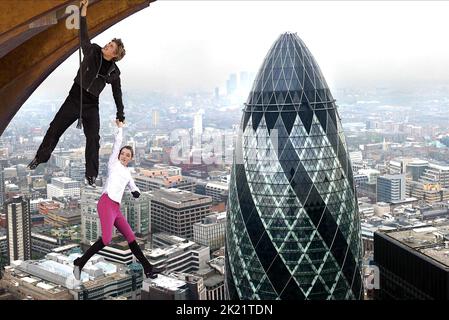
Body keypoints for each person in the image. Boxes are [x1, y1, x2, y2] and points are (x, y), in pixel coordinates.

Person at [28, 0, 126, 187]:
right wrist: (83, 13)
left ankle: (91, 175)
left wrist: (120, 114)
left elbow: (117, 93)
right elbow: (83, 38)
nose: (107, 45)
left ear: (115, 54)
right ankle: (40, 158)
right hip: (74, 98)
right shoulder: (93, 51)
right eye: (109, 43)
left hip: (91, 106)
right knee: (55, 128)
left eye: (111, 46)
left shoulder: (114, 72)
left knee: (94, 139)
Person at [73, 121, 163, 280]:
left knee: (131, 237)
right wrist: (120, 128)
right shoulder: (113, 163)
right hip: (106, 202)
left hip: (115, 208)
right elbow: (117, 143)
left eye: (128, 155)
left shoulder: (128, 173)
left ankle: (148, 269)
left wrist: (136, 192)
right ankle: (80, 263)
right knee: (106, 239)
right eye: (123, 153)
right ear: (119, 155)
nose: (124, 156)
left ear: (131, 159)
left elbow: (134, 187)